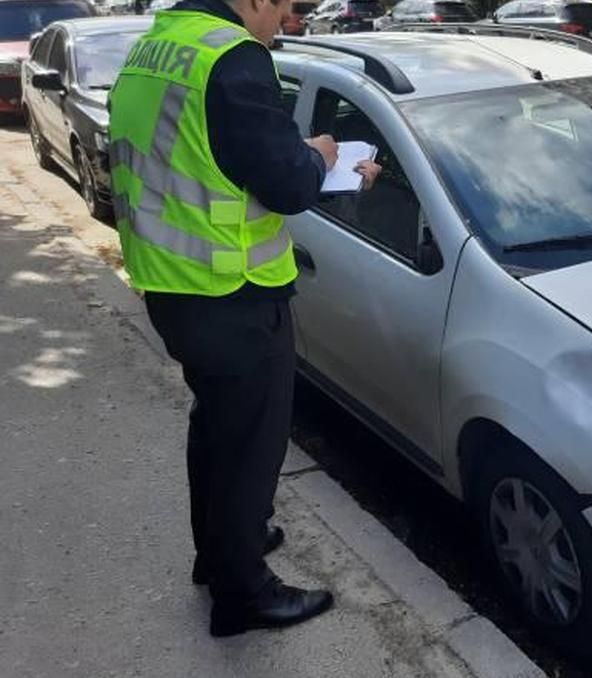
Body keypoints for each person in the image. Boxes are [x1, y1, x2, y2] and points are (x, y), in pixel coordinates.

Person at [107, 0, 380, 637]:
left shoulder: (156, 47)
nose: (283, 19)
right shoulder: (233, 58)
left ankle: (222, 550)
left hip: (172, 283)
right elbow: (286, 184)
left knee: (217, 432)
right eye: (282, 5)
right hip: (232, 290)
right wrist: (318, 153)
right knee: (249, 449)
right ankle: (244, 594)